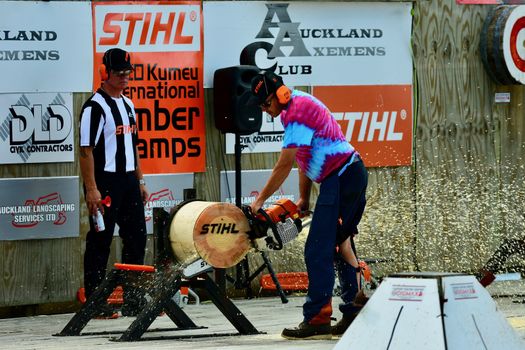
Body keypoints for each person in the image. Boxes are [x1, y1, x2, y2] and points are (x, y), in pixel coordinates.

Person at [247, 70, 368, 339]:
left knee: (318, 248)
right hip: (338, 178)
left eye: (266, 104)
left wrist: (259, 201)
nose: (266, 111)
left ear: (281, 94)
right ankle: (353, 311)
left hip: (343, 177)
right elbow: (304, 159)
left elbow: (284, 164)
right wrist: (304, 199)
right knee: (338, 243)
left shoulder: (298, 110)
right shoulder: (293, 110)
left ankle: (317, 319)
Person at [79, 48, 149, 318]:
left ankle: (133, 299)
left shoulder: (128, 105)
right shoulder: (94, 107)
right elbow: (85, 151)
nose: (124, 78)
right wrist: (92, 188)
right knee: (101, 240)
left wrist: (140, 180)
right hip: (104, 182)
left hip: (129, 180)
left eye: (127, 73)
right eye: (119, 73)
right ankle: (95, 302)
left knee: (137, 237)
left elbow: (133, 145)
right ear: (105, 73)